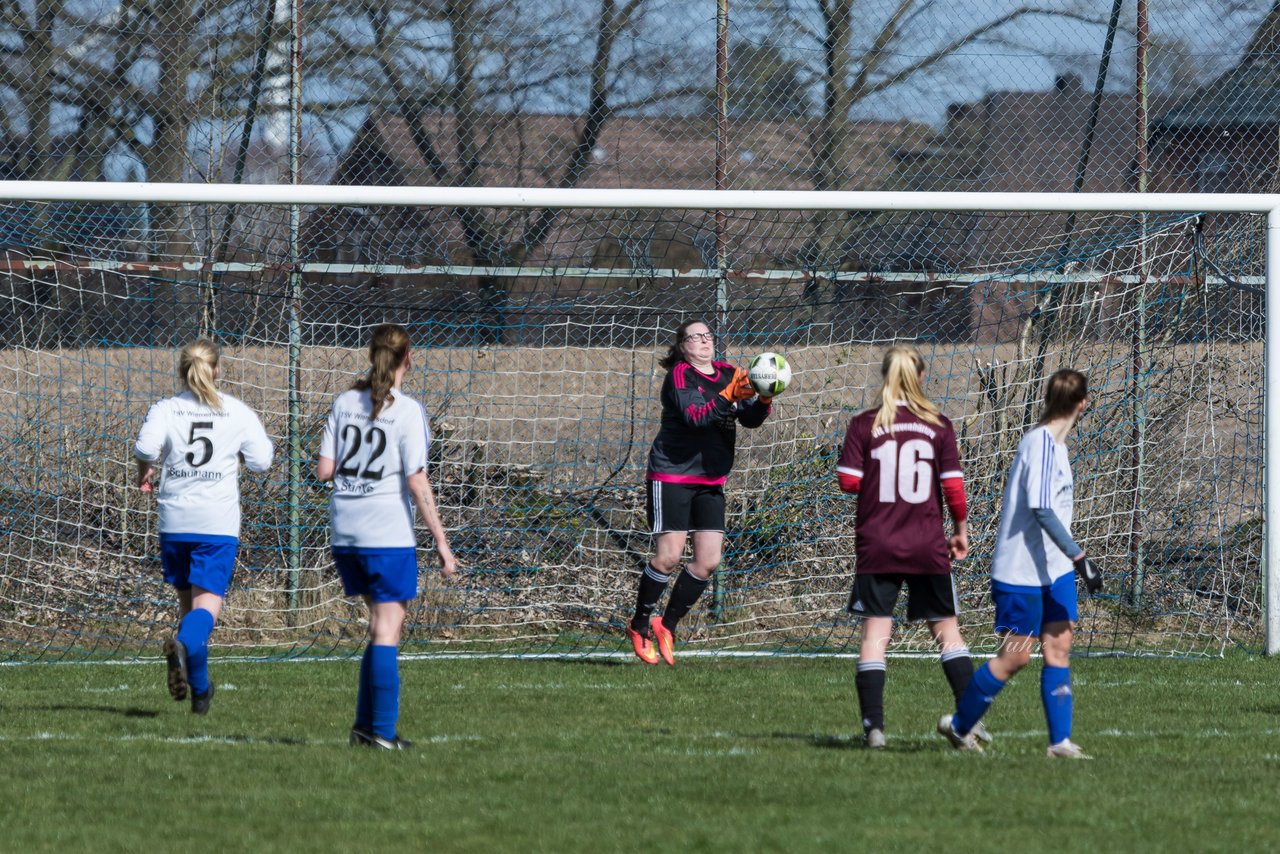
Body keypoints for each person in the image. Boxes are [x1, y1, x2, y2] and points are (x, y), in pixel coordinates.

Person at [939, 368, 1103, 757]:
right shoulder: (1040, 444)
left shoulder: (1059, 449)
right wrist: (1080, 557)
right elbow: (1042, 509)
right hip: (1021, 574)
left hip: (1055, 573)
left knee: (1059, 648)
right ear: (1083, 403)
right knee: (1016, 656)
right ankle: (959, 726)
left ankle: (1059, 742)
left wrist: (1069, 563)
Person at [835, 345, 987, 749]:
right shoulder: (939, 425)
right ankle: (967, 721)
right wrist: (961, 529)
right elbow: (952, 488)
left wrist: (881, 477)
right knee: (948, 634)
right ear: (921, 378)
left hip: (877, 543)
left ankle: (875, 729)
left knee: (874, 636)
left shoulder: (863, 424)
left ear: (885, 376)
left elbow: (848, 481)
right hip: (925, 543)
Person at [317, 323, 457, 749]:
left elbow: (324, 470)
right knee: (388, 628)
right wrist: (441, 541)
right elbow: (417, 479)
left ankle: (364, 727)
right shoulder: (408, 410)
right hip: (386, 531)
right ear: (407, 360)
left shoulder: (344, 402)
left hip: (346, 530)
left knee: (379, 625)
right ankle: (383, 732)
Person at [134, 339, 274, 715]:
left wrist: (145, 468)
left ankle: (200, 695)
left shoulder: (166, 409)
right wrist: (238, 452)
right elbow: (262, 461)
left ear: (182, 371)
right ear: (217, 370)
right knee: (203, 615)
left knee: (189, 612)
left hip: (175, 523)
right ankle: (181, 646)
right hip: (216, 524)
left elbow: (145, 447)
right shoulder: (236, 411)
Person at [626, 320, 772, 666]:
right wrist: (729, 395)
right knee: (669, 556)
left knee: (707, 561)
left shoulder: (729, 373)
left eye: (708, 335)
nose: (704, 341)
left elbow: (749, 419)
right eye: (696, 336)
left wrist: (764, 397)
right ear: (682, 345)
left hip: (711, 479)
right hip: (672, 475)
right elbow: (696, 417)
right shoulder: (680, 375)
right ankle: (640, 623)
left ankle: (668, 624)